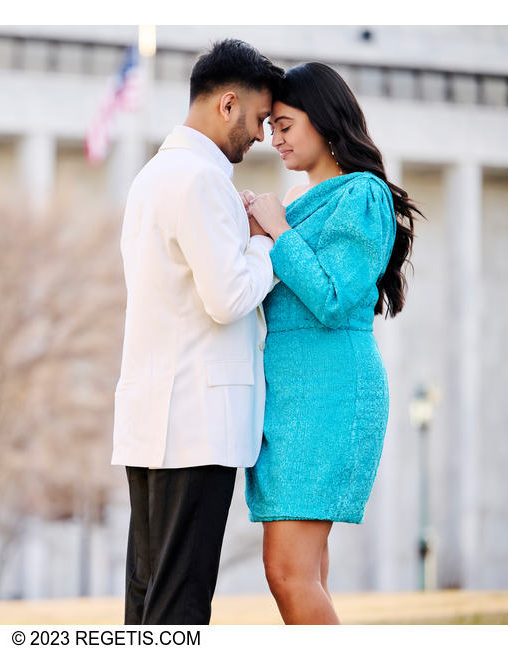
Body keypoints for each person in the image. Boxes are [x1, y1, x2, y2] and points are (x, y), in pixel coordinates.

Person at [111, 39, 284, 625]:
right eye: (260, 118)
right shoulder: (201, 179)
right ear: (228, 105)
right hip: (197, 423)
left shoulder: (152, 177)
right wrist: (265, 240)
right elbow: (229, 296)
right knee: (181, 603)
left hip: (155, 418)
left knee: (149, 595)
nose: (262, 134)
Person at [244, 61, 422, 624]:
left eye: (286, 125)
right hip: (292, 395)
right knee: (303, 573)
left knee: (287, 572)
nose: (275, 139)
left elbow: (331, 296)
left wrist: (278, 230)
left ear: (323, 121)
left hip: (330, 393)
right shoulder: (300, 199)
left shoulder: (363, 195)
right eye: (271, 126)